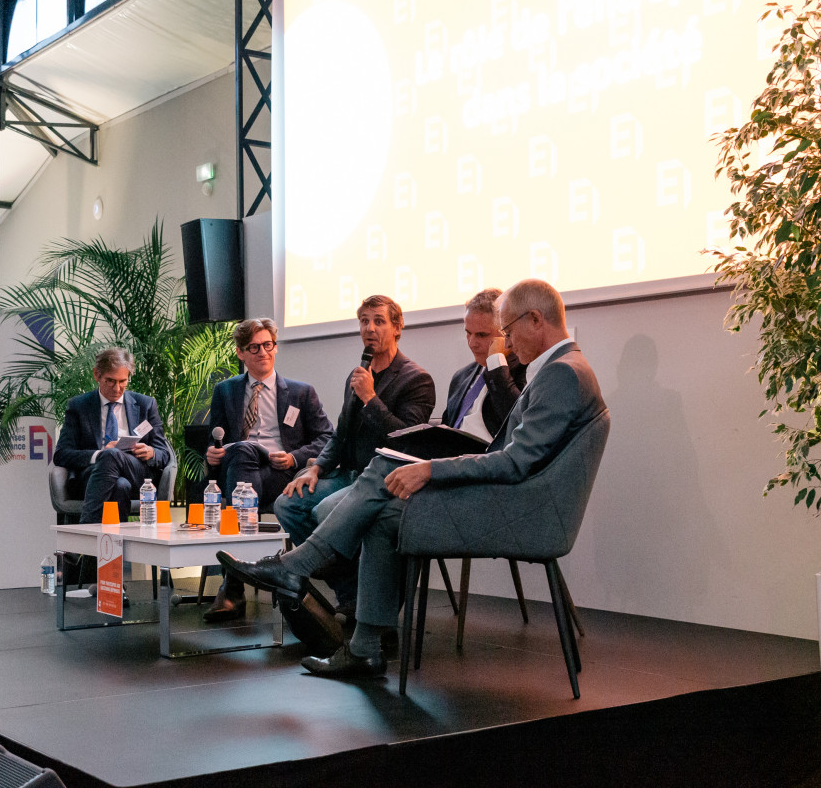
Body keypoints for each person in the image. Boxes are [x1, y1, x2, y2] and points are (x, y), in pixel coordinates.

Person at [219, 279, 606, 680]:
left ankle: (296, 566)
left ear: (536, 320)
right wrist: (320, 465)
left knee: (387, 466)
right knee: (384, 508)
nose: (503, 342)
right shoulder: (562, 369)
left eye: (505, 331)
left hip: (520, 507)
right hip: (510, 496)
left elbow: (512, 463)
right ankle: (363, 648)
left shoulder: (560, 374)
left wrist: (431, 468)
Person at [271, 294, 436, 615]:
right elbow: (341, 433)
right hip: (347, 474)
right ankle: (350, 590)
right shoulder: (357, 374)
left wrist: (371, 398)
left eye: (378, 321)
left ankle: (355, 594)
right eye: (364, 321)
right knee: (288, 504)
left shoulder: (416, 379)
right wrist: (316, 468)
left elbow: (406, 443)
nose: (369, 328)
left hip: (384, 481)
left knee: (324, 511)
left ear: (398, 327)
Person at [202, 317, 334, 622]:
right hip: (241, 468)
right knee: (243, 452)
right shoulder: (226, 391)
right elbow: (216, 437)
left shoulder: (301, 392)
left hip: (281, 475)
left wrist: (293, 457)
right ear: (241, 353)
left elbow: (326, 438)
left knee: (241, 476)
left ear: (275, 348)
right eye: (254, 347)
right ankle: (246, 578)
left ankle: (233, 588)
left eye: (268, 345)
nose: (263, 352)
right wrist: (212, 452)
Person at [53, 347, 170, 524]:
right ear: (96, 375)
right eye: (110, 381)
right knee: (118, 483)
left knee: (113, 456)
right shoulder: (79, 407)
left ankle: (86, 533)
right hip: (93, 476)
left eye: (123, 381)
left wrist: (151, 452)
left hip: (137, 473)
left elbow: (164, 453)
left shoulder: (145, 405)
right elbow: (61, 455)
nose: (117, 388)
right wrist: (99, 455)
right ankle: (115, 548)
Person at [443, 288, 526, 441]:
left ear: (505, 332)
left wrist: (496, 363)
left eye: (482, 335)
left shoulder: (525, 369)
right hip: (451, 458)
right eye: (468, 332)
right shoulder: (461, 376)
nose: (472, 343)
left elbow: (517, 422)